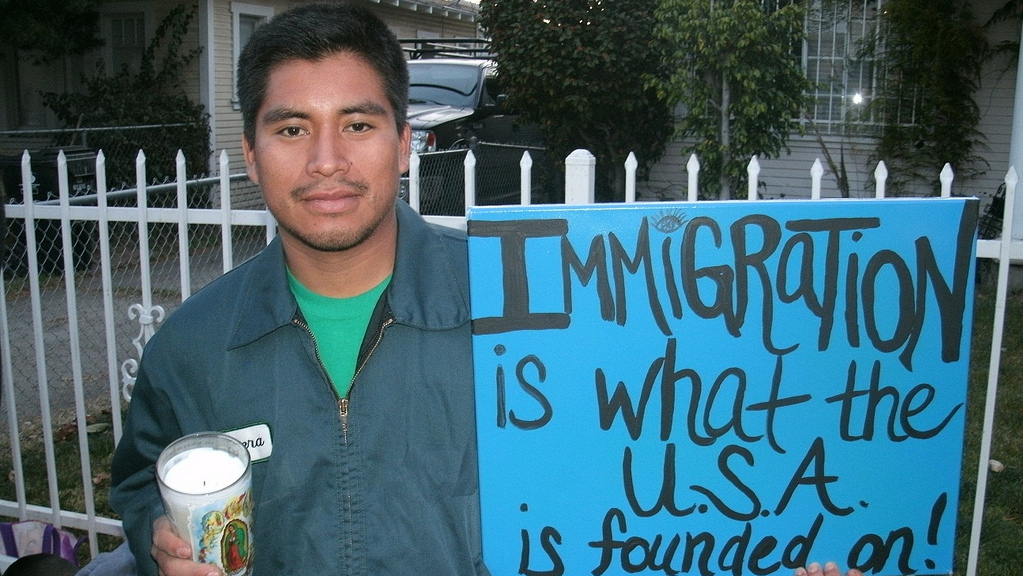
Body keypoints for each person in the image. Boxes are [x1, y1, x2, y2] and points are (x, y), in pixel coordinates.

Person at [109, 3, 486, 575]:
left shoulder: (509, 311)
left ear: (405, 143)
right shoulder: (192, 349)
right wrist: (156, 534)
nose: (326, 162)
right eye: (292, 129)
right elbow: (141, 482)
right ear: (253, 156)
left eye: (358, 125)